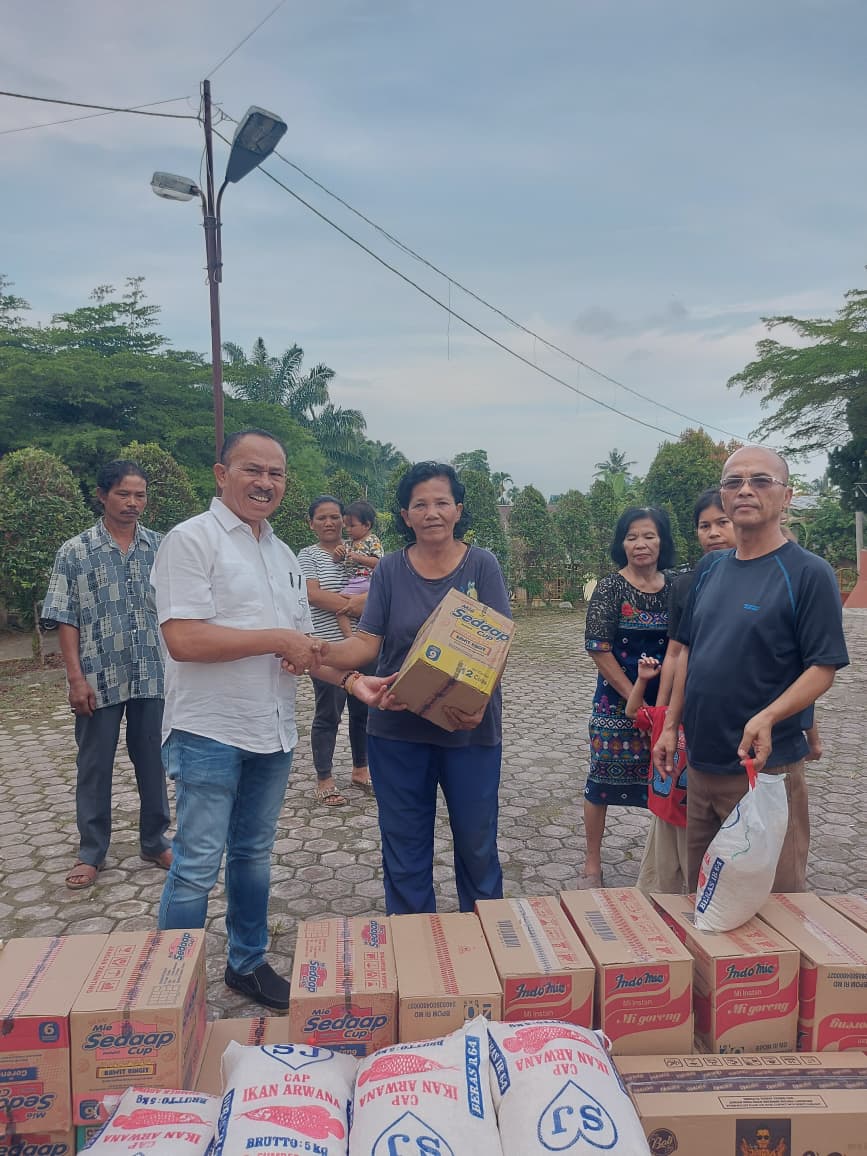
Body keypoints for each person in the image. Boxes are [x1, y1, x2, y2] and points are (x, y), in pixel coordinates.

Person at [152, 430, 394, 1010]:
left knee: (253, 855)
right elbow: (183, 639)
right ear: (222, 474)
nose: (265, 483)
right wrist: (275, 639)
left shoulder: (283, 555)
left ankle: (246, 963)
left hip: (273, 728)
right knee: (196, 865)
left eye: (276, 474)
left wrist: (354, 681)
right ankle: (167, 990)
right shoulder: (191, 540)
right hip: (209, 730)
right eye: (252, 470)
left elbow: (304, 649)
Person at [302, 461, 511, 915]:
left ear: (458, 510)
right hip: (398, 730)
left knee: (477, 845)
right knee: (405, 849)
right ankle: (416, 944)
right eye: (420, 505)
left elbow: (498, 642)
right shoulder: (391, 570)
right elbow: (366, 643)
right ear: (404, 515)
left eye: (441, 503)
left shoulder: (482, 565)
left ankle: (487, 938)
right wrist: (320, 651)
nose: (431, 513)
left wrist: (481, 700)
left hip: (468, 728)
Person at [654, 446, 849, 893]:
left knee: (773, 903)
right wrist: (670, 726)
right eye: (733, 482)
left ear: (786, 496)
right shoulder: (710, 569)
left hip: (764, 773)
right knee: (703, 898)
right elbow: (689, 655)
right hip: (701, 767)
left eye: (761, 481)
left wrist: (768, 716)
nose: (745, 490)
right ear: (723, 496)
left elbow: (823, 668)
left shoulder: (808, 573)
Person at [41, 460, 172, 891]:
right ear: (101, 496)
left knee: (152, 759)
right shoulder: (75, 551)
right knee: (94, 764)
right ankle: (91, 851)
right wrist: (75, 679)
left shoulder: (160, 548)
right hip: (98, 676)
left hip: (151, 672)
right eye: (123, 494)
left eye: (140, 495)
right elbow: (66, 618)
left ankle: (154, 840)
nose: (133, 503)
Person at [634, 488, 737, 895]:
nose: (713, 533)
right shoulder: (688, 585)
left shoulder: (765, 578)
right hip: (690, 719)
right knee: (675, 810)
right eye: (704, 525)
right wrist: (663, 722)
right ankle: (668, 896)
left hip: (744, 728)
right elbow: (676, 653)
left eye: (722, 523)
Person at [581, 506, 676, 889]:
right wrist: (635, 704)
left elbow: (681, 647)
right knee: (600, 782)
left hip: (667, 706)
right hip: (615, 706)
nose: (640, 544)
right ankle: (592, 864)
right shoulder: (610, 588)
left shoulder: (676, 588)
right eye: (632, 536)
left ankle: (664, 864)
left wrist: (659, 709)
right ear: (621, 543)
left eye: (649, 536)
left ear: (662, 542)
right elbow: (598, 648)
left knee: (669, 781)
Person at [298, 495, 377, 806]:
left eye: (335, 517)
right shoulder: (308, 555)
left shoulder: (359, 549)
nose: (329, 523)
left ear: (345, 520)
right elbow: (313, 595)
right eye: (321, 518)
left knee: (363, 712)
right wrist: (353, 605)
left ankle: (361, 770)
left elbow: (379, 586)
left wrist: (361, 603)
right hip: (326, 648)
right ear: (311, 524)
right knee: (328, 713)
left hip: (365, 644)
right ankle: (325, 778)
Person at [334, 499, 383, 639]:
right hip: (354, 582)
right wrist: (337, 554)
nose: (347, 529)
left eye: (352, 526)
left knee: (340, 606)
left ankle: (349, 636)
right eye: (346, 526)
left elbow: (379, 563)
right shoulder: (348, 543)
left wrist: (359, 558)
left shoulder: (372, 540)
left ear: (367, 525)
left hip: (366, 581)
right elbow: (337, 560)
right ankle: (359, 636)